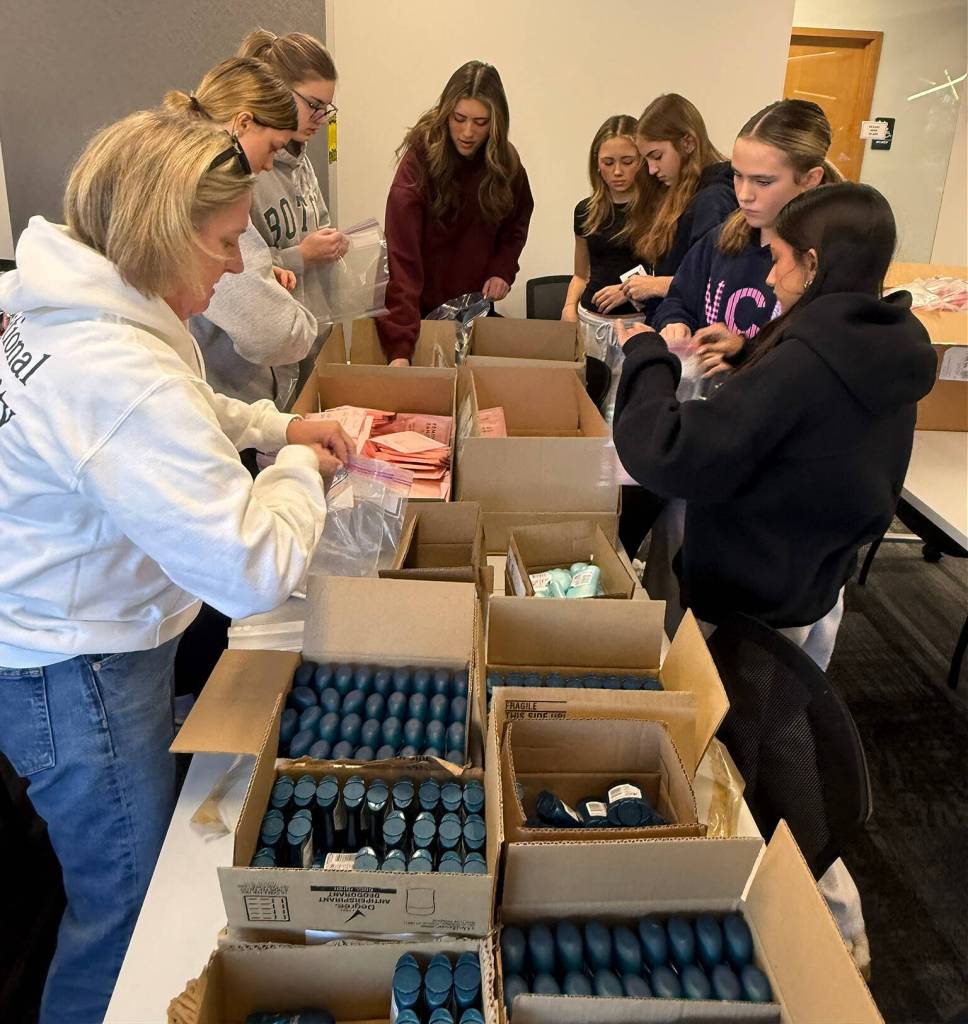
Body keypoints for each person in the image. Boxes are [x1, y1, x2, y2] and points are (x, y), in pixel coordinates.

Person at [0, 109, 352, 1024]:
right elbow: (253, 568)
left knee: (118, 885)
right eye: (226, 240)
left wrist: (279, 427)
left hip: (62, 638)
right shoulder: (113, 368)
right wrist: (302, 467)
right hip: (76, 669)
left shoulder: (82, 301)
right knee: (121, 909)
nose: (235, 265)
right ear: (163, 229)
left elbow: (189, 410)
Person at [612, 181, 936, 973]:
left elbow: (671, 450)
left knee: (769, 781)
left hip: (756, 598)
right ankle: (820, 926)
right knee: (777, 753)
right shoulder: (879, 340)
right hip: (808, 586)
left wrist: (647, 354)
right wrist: (748, 357)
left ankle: (828, 940)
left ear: (816, 263)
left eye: (783, 256)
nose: (770, 267)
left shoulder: (811, 361)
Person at [644, 98, 840, 632]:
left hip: (769, 480)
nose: (745, 194)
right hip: (707, 443)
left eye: (763, 181)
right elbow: (679, 297)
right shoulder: (724, 237)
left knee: (756, 645)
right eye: (736, 176)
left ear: (810, 179)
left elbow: (814, 369)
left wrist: (747, 350)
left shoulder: (821, 268)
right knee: (683, 592)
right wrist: (676, 324)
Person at [171, 57, 320, 411]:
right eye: (271, 147)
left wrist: (264, 267)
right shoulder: (207, 188)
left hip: (217, 399)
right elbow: (270, 332)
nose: (270, 164)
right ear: (242, 123)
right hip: (217, 392)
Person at [377, 60, 534, 366]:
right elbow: (402, 261)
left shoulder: (506, 162)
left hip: (474, 311)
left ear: (496, 123)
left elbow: (518, 219)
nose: (467, 132)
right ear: (445, 113)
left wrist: (502, 268)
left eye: (480, 122)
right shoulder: (419, 163)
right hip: (420, 315)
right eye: (459, 118)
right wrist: (400, 349)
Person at [239, 28, 348, 383]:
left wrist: (333, 246)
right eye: (313, 105)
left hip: (304, 347)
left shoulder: (302, 162)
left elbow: (317, 227)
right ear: (276, 90)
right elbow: (238, 270)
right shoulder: (246, 171)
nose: (321, 118)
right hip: (255, 370)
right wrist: (301, 255)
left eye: (326, 108)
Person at [620, 93, 737, 324]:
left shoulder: (713, 199)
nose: (652, 169)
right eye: (647, 160)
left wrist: (656, 286)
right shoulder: (684, 193)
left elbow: (716, 283)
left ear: (688, 143)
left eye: (657, 156)